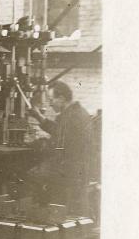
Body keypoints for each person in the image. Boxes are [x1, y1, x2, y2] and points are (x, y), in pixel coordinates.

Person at [27, 80, 92, 210]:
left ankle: (39, 214)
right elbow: (59, 131)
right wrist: (40, 117)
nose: (50, 103)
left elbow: (58, 147)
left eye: (51, 99)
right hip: (80, 169)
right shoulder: (78, 112)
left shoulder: (68, 117)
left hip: (68, 170)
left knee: (31, 175)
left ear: (61, 98)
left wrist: (39, 143)